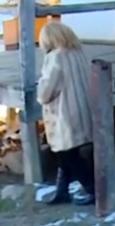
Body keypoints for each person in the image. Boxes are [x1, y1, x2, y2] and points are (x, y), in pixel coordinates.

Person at [36, 22, 95, 206]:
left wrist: (40, 88)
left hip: (64, 113)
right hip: (81, 108)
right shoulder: (78, 53)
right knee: (67, 153)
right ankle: (62, 191)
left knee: (69, 155)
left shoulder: (55, 57)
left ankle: (93, 190)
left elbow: (46, 92)